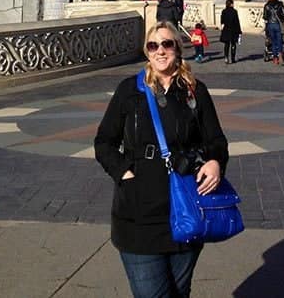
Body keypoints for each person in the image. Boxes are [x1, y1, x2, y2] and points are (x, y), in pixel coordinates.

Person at [95, 21, 229, 298]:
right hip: (139, 213)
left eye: (167, 44)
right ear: (146, 51)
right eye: (153, 45)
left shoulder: (194, 90)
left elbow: (216, 140)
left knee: (179, 292)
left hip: (188, 208)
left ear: (178, 49)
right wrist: (124, 174)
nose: (160, 51)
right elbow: (104, 143)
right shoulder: (129, 91)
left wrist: (215, 162)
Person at [263, 0, 284, 65]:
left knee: (273, 42)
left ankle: (275, 58)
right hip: (278, 24)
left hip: (270, 25)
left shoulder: (266, 5)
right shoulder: (280, 4)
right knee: (279, 41)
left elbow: (265, 17)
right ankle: (280, 56)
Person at [219, 0, 242, 64]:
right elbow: (237, 22)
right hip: (233, 30)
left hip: (226, 29)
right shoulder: (234, 11)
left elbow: (222, 21)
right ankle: (233, 58)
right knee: (233, 44)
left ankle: (226, 57)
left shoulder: (224, 11)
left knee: (226, 44)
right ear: (231, 4)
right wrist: (239, 31)